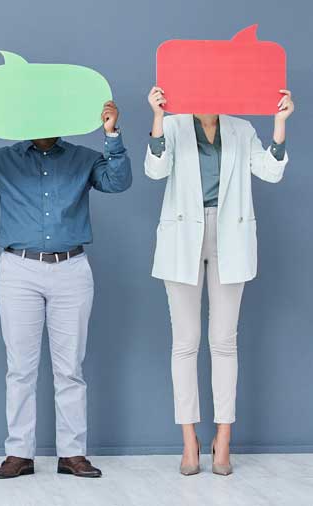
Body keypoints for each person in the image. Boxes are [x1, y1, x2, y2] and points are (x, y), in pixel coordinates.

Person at [0, 101, 131, 479]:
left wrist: (111, 134)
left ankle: (73, 453)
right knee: (20, 369)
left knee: (70, 368)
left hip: (72, 268)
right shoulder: (2, 159)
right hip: (19, 268)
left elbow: (118, 181)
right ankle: (19, 453)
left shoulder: (83, 157)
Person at [145, 87, 293, 476]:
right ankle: (190, 440)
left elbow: (270, 171)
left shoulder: (241, 129)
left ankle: (223, 438)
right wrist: (157, 117)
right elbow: (155, 170)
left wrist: (279, 124)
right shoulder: (175, 126)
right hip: (182, 239)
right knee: (186, 342)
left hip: (231, 238)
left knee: (224, 342)